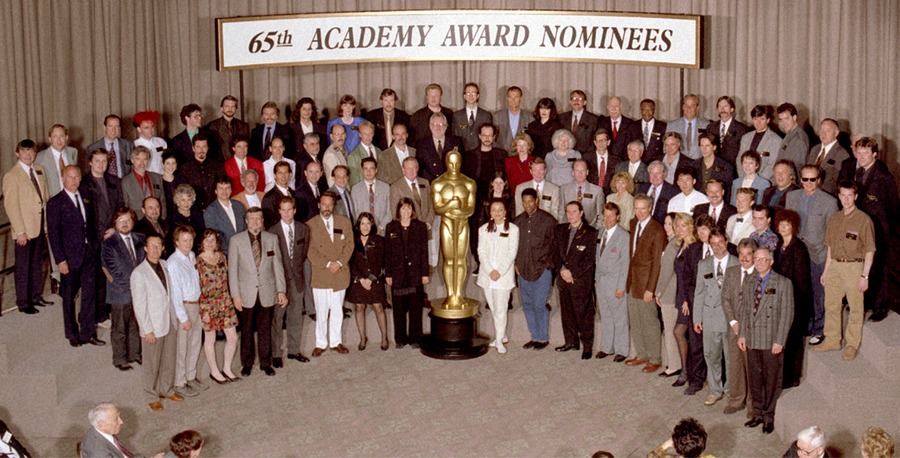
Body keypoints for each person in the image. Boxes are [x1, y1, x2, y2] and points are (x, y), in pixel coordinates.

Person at [838, 137, 898, 323]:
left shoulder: (884, 177)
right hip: (858, 227)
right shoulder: (856, 172)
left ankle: (881, 306)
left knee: (879, 268)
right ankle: (865, 300)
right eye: (859, 152)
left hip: (879, 230)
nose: (862, 157)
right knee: (861, 266)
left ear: (874, 154)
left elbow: (893, 206)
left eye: (866, 153)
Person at [815, 181, 875, 361]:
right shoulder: (835, 218)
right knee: (831, 304)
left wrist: (865, 276)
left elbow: (869, 250)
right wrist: (826, 271)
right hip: (835, 265)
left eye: (850, 195)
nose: (846, 199)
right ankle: (833, 339)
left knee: (856, 307)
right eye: (843, 195)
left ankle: (852, 344)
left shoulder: (864, 220)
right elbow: (830, 248)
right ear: (839, 196)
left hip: (854, 266)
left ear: (856, 197)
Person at [739, 246, 794, 434]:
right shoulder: (749, 280)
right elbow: (745, 310)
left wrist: (780, 340)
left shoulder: (783, 283)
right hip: (752, 338)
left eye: (764, 259)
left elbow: (787, 314)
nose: (759, 262)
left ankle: (769, 416)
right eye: (757, 259)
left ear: (771, 261)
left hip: (771, 340)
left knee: (771, 379)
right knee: (755, 378)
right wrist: (742, 335)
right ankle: (758, 413)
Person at [47, 165, 103, 347]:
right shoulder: (55, 202)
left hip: (89, 253)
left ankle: (88, 332)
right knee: (69, 296)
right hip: (69, 258)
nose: (74, 180)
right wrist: (60, 261)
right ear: (63, 179)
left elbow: (92, 225)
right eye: (70, 177)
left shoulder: (86, 197)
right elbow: (54, 235)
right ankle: (72, 333)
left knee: (89, 294)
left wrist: (95, 247)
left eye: (77, 177)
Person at [228, 207, 288, 376]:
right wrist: (235, 295)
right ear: (246, 221)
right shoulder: (236, 241)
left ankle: (265, 362)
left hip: (267, 291)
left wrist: (281, 290)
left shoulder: (271, 239)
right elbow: (232, 271)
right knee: (246, 330)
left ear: (262, 221)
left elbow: (278, 266)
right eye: (251, 219)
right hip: (245, 294)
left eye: (258, 219)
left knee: (265, 329)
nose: (255, 222)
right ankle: (246, 363)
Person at [132, 234, 183, 411]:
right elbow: (139, 305)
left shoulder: (166, 265)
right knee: (152, 364)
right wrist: (147, 330)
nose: (155, 250)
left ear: (163, 248)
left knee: (169, 359)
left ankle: (166, 389)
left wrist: (176, 315)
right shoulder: (139, 273)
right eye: (151, 246)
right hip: (152, 326)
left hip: (169, 321)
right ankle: (151, 395)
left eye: (158, 246)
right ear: (145, 248)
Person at [787, 164, 837, 345]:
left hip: (818, 254)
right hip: (797, 252)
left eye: (813, 179)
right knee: (799, 291)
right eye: (805, 179)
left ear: (819, 180)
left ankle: (819, 328)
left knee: (819, 293)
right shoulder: (792, 197)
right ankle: (803, 325)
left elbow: (832, 233)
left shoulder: (829, 202)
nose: (809, 183)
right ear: (800, 180)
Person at [2, 139, 50, 315]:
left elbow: (43, 200)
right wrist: (20, 231)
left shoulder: (39, 170)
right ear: (17, 153)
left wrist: (45, 225)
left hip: (38, 225)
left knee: (37, 264)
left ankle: (36, 296)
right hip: (24, 229)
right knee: (23, 267)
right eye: (24, 151)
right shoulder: (11, 175)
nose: (28, 155)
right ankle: (23, 302)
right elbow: (11, 206)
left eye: (31, 151)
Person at [693, 227, 738, 406]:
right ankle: (714, 390)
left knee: (730, 357)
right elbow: (699, 292)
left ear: (726, 242)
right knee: (711, 355)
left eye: (720, 242)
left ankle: (730, 390)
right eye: (713, 244)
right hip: (710, 316)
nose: (717, 247)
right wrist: (697, 318)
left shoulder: (736, 263)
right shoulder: (703, 265)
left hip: (729, 319)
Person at [307, 191, 354, 356]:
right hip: (321, 273)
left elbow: (349, 245)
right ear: (319, 205)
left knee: (337, 310)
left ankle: (336, 341)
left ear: (334, 206)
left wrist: (340, 263)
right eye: (324, 204)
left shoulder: (344, 222)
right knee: (321, 311)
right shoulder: (310, 225)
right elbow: (310, 250)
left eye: (330, 204)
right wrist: (327, 264)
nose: (327, 208)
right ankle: (320, 342)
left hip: (340, 272)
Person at [552, 201, 598, 359]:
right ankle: (571, 341)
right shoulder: (560, 229)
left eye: (574, 211)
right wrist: (563, 270)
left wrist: (573, 274)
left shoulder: (590, 232)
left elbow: (589, 260)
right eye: (568, 212)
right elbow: (555, 253)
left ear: (581, 213)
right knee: (567, 312)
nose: (571, 215)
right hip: (563, 279)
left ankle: (587, 346)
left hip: (580, 281)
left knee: (583, 315)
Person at [625, 194, 666, 373]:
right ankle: (641, 353)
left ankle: (654, 358)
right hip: (633, 279)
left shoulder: (657, 230)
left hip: (646, 283)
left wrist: (651, 289)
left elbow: (657, 262)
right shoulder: (633, 224)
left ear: (650, 208)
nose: (640, 212)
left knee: (649, 321)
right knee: (635, 319)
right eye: (637, 208)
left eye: (643, 208)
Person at [267, 196, 311, 365]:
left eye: (289, 209)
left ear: (294, 210)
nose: (286, 213)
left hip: (297, 279)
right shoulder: (272, 232)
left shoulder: (303, 229)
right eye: (283, 210)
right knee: (277, 318)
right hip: (280, 282)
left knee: (296, 316)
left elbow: (303, 253)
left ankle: (294, 350)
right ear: (279, 211)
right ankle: (276, 354)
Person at [513, 188, 558, 350]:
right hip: (523, 270)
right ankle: (534, 336)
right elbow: (513, 246)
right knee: (527, 305)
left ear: (536, 200)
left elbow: (555, 246)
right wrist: (515, 265)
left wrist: (548, 265)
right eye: (524, 201)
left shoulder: (548, 220)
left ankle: (543, 337)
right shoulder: (517, 221)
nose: (527, 205)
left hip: (542, 270)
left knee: (540, 305)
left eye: (530, 201)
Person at [101, 208, 145, 371]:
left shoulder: (140, 239)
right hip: (120, 291)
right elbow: (111, 269)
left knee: (135, 324)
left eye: (128, 220)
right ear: (115, 224)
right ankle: (119, 358)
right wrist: (133, 283)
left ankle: (135, 354)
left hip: (138, 291)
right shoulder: (109, 243)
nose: (125, 224)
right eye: (121, 221)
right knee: (119, 327)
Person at [431, 150, 477, 304]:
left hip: (463, 223)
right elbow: (437, 208)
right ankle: (451, 294)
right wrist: (450, 205)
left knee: (461, 260)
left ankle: (459, 295)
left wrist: (458, 210)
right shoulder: (438, 183)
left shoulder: (469, 183)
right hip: (447, 223)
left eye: (457, 163)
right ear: (446, 163)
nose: (454, 166)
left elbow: (471, 209)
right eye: (451, 163)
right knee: (449, 260)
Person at [166, 225, 207, 398]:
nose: (188, 243)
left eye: (190, 240)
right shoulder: (173, 263)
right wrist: (183, 317)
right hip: (184, 306)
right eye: (184, 240)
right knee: (182, 347)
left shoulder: (191, 257)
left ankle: (191, 376)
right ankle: (180, 381)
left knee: (195, 343)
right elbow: (175, 292)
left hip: (196, 304)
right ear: (176, 242)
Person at [385, 198, 430, 349]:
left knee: (416, 308)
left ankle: (415, 338)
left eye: (408, 208)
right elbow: (388, 253)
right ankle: (400, 339)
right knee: (398, 309)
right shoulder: (390, 227)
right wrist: (388, 274)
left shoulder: (421, 227)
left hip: (415, 273)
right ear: (398, 210)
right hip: (397, 274)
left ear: (413, 210)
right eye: (403, 208)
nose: (406, 212)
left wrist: (425, 273)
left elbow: (424, 251)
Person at [774, 209, 812, 388]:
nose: (783, 227)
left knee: (793, 339)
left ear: (793, 227)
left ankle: (792, 377)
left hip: (795, 300)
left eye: (787, 224)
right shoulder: (778, 246)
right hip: (780, 300)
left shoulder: (798, 248)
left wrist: (793, 302)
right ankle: (783, 375)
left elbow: (801, 280)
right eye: (781, 224)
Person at [476, 199, 519, 354]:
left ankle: (499, 340)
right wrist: (490, 271)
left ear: (505, 212)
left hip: (503, 276)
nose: (497, 212)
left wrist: (499, 271)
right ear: (490, 212)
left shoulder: (513, 229)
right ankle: (503, 334)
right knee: (494, 308)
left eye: (500, 209)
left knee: (501, 309)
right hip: (487, 276)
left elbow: (511, 253)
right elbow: (481, 252)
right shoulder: (483, 229)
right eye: (494, 210)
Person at [721, 238, 758, 415]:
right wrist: (733, 323)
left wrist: (745, 327)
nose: (744, 258)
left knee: (751, 367)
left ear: (754, 256)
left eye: (748, 254)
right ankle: (736, 400)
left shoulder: (760, 274)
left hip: (752, 331)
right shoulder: (732, 272)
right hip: (734, 329)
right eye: (741, 254)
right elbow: (725, 299)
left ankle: (753, 404)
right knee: (734, 364)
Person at [671, 213, 706, 394]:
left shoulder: (695, 247)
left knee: (685, 334)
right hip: (682, 296)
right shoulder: (681, 245)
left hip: (689, 298)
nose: (680, 229)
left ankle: (691, 375)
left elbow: (692, 277)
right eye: (678, 226)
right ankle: (687, 371)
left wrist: (685, 299)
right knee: (680, 333)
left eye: (684, 226)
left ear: (691, 227)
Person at [594, 203, 630, 361]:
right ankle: (607, 347)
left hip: (616, 283)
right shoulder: (600, 232)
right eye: (605, 215)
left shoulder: (624, 236)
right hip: (601, 282)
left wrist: (621, 287)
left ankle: (622, 349)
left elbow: (625, 264)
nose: (608, 219)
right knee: (606, 316)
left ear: (618, 217)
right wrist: (596, 279)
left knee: (619, 317)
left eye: (611, 216)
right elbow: (597, 259)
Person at [348, 212, 388, 351]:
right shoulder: (352, 240)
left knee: (378, 307)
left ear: (372, 225)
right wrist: (360, 279)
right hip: (358, 280)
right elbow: (351, 263)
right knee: (359, 307)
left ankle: (384, 337)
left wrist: (370, 278)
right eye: (362, 223)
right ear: (359, 225)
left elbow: (380, 262)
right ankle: (362, 337)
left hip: (374, 279)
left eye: (368, 223)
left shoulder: (379, 240)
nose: (365, 226)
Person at [389, 157, 436, 267]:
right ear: (403, 169)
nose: (411, 171)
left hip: (425, 228)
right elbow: (394, 212)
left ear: (418, 168)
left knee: (423, 261)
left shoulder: (425, 183)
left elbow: (431, 206)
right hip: (407, 232)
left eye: (414, 168)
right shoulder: (396, 186)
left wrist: (428, 223)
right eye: (408, 168)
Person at [655, 213, 682, 378]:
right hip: (672, 291)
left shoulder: (673, 245)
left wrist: (659, 291)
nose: (666, 227)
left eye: (670, 224)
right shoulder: (673, 243)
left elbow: (666, 272)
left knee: (670, 329)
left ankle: (674, 365)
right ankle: (674, 362)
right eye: (665, 223)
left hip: (669, 293)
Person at [180, 134, 226, 210]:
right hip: (194, 210)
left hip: (215, 209)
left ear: (208, 148)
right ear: (193, 148)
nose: (201, 150)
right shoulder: (185, 168)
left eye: (204, 147)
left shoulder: (217, 166)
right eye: (198, 147)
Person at [203, 176, 247, 254]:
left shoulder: (239, 206)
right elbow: (215, 237)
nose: (224, 191)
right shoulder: (210, 211)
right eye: (221, 188)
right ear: (215, 191)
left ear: (231, 190)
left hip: (243, 250)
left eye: (227, 188)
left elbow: (245, 228)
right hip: (225, 253)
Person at [414, 112, 463, 182]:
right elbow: (421, 167)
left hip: (451, 182)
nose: (438, 127)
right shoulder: (422, 144)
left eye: (441, 124)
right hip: (431, 183)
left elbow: (460, 164)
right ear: (430, 126)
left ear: (446, 126)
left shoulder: (456, 142)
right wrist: (435, 181)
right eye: (434, 124)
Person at [123, 145, 168, 220]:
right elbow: (125, 206)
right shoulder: (125, 182)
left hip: (157, 222)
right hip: (137, 223)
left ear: (149, 160)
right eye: (138, 159)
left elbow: (163, 202)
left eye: (145, 159)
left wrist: (163, 221)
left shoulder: (157, 178)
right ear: (132, 160)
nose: (142, 163)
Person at [738, 105, 782, 180]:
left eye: (762, 119)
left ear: (768, 120)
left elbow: (772, 164)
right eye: (755, 119)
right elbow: (739, 159)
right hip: (744, 180)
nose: (758, 122)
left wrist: (757, 181)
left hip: (764, 182)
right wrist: (743, 177)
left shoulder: (776, 140)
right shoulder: (745, 137)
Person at [806, 118, 849, 195]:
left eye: (828, 131)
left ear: (836, 133)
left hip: (827, 195)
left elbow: (838, 183)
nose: (823, 134)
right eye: (822, 130)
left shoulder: (842, 154)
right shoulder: (814, 149)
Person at [351, 157, 392, 233]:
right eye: (365, 169)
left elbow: (390, 211)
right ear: (362, 170)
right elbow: (355, 213)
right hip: (363, 232)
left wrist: (380, 227)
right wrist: (364, 227)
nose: (368, 172)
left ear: (376, 170)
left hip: (382, 231)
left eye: (371, 168)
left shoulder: (386, 187)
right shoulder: (355, 189)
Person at [707, 95, 750, 166]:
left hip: (733, 169)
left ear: (732, 109)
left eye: (725, 106)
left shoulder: (742, 129)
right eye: (720, 106)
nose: (722, 109)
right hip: (714, 167)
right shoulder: (711, 127)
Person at [559, 159, 604, 227]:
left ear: (587, 172)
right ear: (573, 172)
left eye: (582, 170)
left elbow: (600, 215)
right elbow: (561, 213)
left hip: (590, 230)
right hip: (568, 229)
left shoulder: (597, 191)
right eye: (577, 171)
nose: (580, 174)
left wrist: (596, 232)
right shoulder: (564, 189)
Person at [86, 114, 133, 178]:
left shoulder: (128, 145)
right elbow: (88, 172)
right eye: (110, 126)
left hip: (124, 183)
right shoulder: (92, 148)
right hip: (102, 184)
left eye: (116, 126)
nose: (113, 130)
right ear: (104, 127)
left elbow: (132, 168)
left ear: (120, 128)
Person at [206, 95, 251, 162]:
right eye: (227, 106)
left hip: (239, 164)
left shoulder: (243, 126)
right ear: (221, 108)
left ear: (236, 109)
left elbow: (246, 148)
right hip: (220, 165)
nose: (230, 109)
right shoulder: (213, 126)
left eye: (233, 106)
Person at [666, 94, 711, 160]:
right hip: (679, 166)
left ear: (697, 108)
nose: (688, 108)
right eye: (686, 105)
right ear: (683, 107)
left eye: (692, 105)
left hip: (700, 165)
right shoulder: (671, 125)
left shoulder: (707, 125)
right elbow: (666, 149)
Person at [452, 82, 493, 152]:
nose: (471, 96)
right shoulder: (457, 116)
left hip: (480, 154)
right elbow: (454, 137)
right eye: (468, 93)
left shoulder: (486, 115)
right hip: (462, 154)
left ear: (478, 95)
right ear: (464, 96)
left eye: (473, 93)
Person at [693, 132, 735, 199]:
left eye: (707, 146)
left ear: (714, 147)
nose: (704, 149)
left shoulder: (726, 167)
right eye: (702, 145)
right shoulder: (694, 165)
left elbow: (728, 192)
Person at [559, 89, 600, 156]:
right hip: (565, 155)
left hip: (585, 157)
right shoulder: (562, 118)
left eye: (580, 99)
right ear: (570, 102)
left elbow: (594, 141)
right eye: (574, 98)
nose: (576, 101)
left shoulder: (593, 119)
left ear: (585, 102)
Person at [493, 86, 533, 152]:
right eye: (510, 97)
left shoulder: (529, 116)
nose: (513, 100)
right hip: (502, 154)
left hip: (522, 155)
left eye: (516, 97)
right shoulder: (497, 116)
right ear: (507, 98)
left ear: (521, 98)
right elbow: (494, 138)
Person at [170, 184, 206, 251]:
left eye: (189, 200)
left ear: (192, 201)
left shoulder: (198, 216)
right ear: (177, 202)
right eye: (183, 200)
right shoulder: (172, 219)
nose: (186, 203)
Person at [584, 129, 621, 194]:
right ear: (595, 143)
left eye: (603, 140)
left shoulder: (617, 161)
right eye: (598, 140)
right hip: (590, 194)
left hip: (610, 195)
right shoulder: (586, 158)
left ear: (608, 142)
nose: (601, 143)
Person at [347, 121, 382, 187]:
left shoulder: (379, 151)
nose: (368, 137)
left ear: (373, 134)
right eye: (365, 134)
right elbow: (354, 182)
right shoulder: (353, 155)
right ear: (359, 134)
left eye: (370, 133)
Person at [262, 160, 296, 228]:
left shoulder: (294, 193)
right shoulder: (268, 197)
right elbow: (269, 224)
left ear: (290, 174)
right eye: (280, 173)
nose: (283, 176)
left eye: (286, 172)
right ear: (274, 175)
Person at [775, 103, 810, 169]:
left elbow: (798, 167)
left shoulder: (798, 138)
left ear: (794, 118)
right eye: (781, 119)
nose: (783, 123)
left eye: (786, 118)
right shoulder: (789, 135)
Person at [132, 110, 167, 174]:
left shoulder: (161, 142)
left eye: (152, 126)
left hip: (162, 176)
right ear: (139, 129)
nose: (151, 130)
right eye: (146, 128)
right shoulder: (135, 145)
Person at [633, 98, 667, 164]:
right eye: (644, 109)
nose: (647, 112)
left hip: (657, 164)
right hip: (638, 163)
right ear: (640, 110)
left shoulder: (663, 126)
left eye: (650, 109)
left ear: (654, 111)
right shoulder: (633, 126)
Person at [161, 150, 188, 218]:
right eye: (168, 163)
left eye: (173, 163)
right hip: (165, 216)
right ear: (163, 164)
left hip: (181, 215)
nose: (171, 166)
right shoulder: (159, 181)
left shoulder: (182, 180)